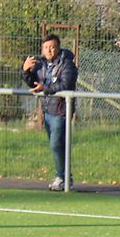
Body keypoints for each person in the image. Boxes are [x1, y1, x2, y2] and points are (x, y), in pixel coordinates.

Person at [21, 34, 78, 191]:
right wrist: (25, 71)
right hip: (47, 110)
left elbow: (65, 84)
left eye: (52, 47)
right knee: (57, 146)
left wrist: (44, 88)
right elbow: (33, 82)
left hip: (61, 110)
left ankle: (62, 177)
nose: (49, 50)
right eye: (46, 47)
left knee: (56, 144)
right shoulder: (40, 64)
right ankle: (65, 178)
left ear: (58, 48)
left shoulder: (67, 64)